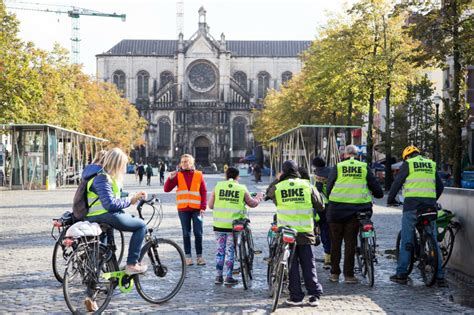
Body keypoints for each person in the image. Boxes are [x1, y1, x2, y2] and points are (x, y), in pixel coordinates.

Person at [267, 160, 324, 306]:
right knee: (308, 263)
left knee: (291, 264)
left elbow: (269, 193)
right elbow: (320, 205)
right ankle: (314, 295)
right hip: (305, 231)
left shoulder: (278, 187)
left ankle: (296, 296)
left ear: (283, 172)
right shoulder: (307, 185)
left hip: (287, 233)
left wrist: (278, 179)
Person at [387, 145, 446, 286]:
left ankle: (401, 274)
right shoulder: (431, 164)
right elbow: (440, 187)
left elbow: (397, 183)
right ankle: (440, 277)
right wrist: (432, 200)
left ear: (406, 157)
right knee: (433, 238)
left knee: (407, 239)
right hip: (430, 206)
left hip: (412, 207)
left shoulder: (408, 164)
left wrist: (390, 200)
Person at [326, 145, 383, 284]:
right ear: (357, 155)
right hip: (356, 210)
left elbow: (329, 188)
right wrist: (378, 194)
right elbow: (375, 187)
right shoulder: (364, 167)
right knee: (350, 242)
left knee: (335, 242)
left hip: (336, 210)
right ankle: (348, 275)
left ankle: (334, 274)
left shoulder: (338, 167)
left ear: (345, 154)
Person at [208, 167, 263, 286]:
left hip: (219, 225)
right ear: (238, 177)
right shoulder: (241, 188)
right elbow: (252, 204)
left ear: (226, 176)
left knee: (220, 251)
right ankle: (228, 277)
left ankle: (218, 277)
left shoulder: (218, 186)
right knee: (230, 250)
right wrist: (258, 197)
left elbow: (210, 205)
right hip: (233, 226)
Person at [164, 154, 207, 266]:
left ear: (192, 163)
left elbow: (203, 191)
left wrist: (203, 207)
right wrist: (170, 178)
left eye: (187, 161)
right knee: (186, 233)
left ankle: (199, 256)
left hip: (197, 209)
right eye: (182, 162)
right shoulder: (177, 175)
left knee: (198, 233)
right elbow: (166, 189)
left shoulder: (198, 175)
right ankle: (188, 257)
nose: (184, 163)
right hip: (183, 209)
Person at [312, 156, 332, 269]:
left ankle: (327, 255)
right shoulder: (332, 171)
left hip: (321, 206)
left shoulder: (317, 175)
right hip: (333, 205)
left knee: (322, 229)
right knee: (329, 230)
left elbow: (317, 192)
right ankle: (329, 255)